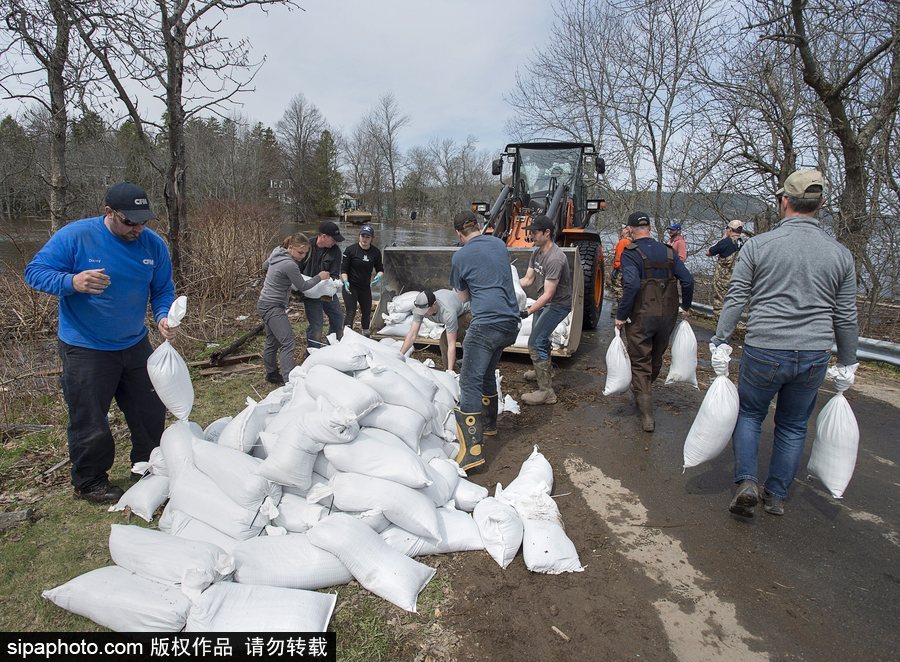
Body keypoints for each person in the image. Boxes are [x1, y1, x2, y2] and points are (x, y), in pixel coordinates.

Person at [711, 169, 858, 518]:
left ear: (784, 201)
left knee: (749, 414)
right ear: (820, 204)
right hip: (813, 355)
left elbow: (736, 297)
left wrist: (720, 339)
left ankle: (747, 481)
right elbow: (845, 315)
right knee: (793, 425)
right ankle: (776, 495)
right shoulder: (839, 255)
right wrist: (848, 360)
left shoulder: (759, 246)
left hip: (765, 349)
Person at [23, 182, 176, 504]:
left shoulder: (153, 245)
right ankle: (90, 482)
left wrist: (163, 316)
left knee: (149, 409)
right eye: (129, 221)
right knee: (90, 417)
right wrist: (71, 281)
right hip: (86, 347)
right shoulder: (76, 236)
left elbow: (162, 289)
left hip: (134, 343)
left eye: (143, 221)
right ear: (109, 212)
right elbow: (34, 272)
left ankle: (147, 466)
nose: (137, 228)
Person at [449, 210, 520, 471]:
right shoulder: (500, 244)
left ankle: (472, 451)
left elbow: (464, 298)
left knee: (469, 382)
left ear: (459, 233)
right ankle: (489, 425)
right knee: (488, 371)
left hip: (486, 324)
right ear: (479, 226)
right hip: (510, 324)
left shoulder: (460, 256)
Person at [616, 211, 694, 432]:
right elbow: (687, 280)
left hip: (642, 314)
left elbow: (630, 286)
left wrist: (622, 315)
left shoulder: (631, 252)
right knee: (656, 356)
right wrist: (685, 307)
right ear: (649, 227)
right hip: (667, 315)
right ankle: (646, 391)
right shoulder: (668, 251)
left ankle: (646, 414)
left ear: (630, 229)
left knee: (640, 361)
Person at [258, 233, 331, 385]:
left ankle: (271, 374)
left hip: (264, 302)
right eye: (300, 252)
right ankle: (289, 381)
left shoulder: (277, 252)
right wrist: (319, 277)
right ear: (290, 247)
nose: (302, 256)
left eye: (305, 253)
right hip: (273, 306)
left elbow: (265, 266)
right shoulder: (289, 264)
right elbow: (302, 286)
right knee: (288, 342)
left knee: (273, 341)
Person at [518, 215, 572, 405]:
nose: (531, 235)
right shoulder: (537, 253)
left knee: (535, 342)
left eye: (534, 232)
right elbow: (528, 280)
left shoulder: (555, 258)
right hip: (546, 302)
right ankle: (543, 370)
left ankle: (546, 392)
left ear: (547, 233)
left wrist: (528, 311)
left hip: (558, 305)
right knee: (541, 337)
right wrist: (510, 285)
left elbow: (549, 294)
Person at [300, 220, 345, 353]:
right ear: (323, 236)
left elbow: (335, 273)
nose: (335, 242)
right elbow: (297, 270)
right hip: (310, 292)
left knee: (338, 319)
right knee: (317, 325)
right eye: (333, 239)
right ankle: (312, 354)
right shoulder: (307, 246)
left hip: (327, 292)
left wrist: (334, 283)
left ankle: (332, 349)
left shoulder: (335, 251)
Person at [400, 289, 469, 371]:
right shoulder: (420, 308)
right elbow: (412, 334)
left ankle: (452, 371)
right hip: (455, 310)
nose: (423, 314)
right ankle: (453, 369)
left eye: (425, 311)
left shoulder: (447, 312)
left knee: (445, 340)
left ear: (434, 304)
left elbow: (451, 344)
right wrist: (400, 355)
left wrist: (450, 371)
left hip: (467, 312)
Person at [341, 224, 384, 337]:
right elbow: (343, 270)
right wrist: (345, 281)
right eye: (363, 236)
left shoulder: (375, 252)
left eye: (367, 237)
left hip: (365, 287)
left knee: (366, 311)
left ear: (372, 238)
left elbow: (380, 269)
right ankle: (346, 335)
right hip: (350, 286)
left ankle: (365, 334)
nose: (364, 239)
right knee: (351, 310)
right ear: (359, 236)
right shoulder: (350, 250)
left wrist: (378, 277)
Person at [707, 220, 746, 317]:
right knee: (733, 304)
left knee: (720, 305)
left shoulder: (725, 242)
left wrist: (722, 239)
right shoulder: (744, 243)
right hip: (738, 279)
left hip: (722, 280)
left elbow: (708, 252)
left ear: (729, 229)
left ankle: (720, 329)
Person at [610, 224, 632, 316]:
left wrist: (616, 267)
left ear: (627, 231)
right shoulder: (631, 242)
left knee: (618, 288)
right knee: (624, 288)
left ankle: (620, 310)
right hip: (627, 268)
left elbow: (619, 256)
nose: (621, 231)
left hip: (620, 268)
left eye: (623, 229)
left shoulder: (623, 242)